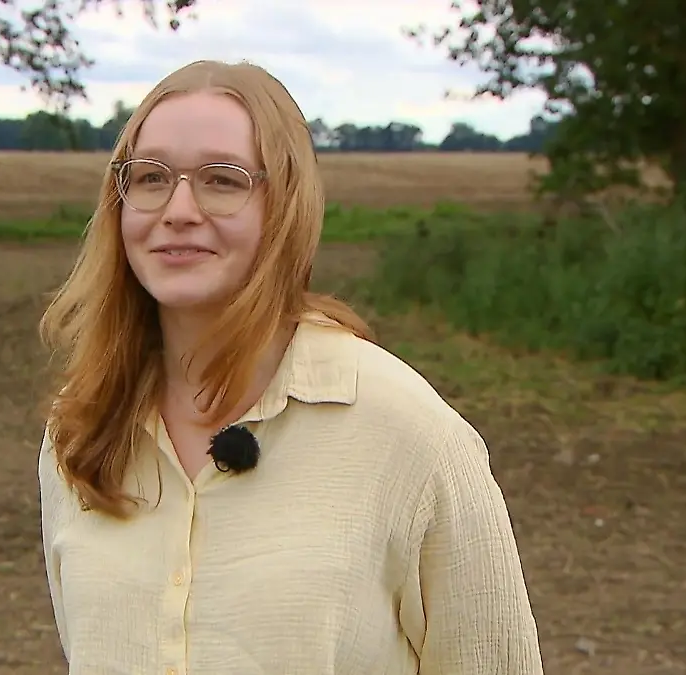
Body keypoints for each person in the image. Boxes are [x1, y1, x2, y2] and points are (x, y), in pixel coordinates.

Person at [36, 59, 543, 675]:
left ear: (286, 208)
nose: (178, 209)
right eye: (150, 177)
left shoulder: (408, 432)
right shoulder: (82, 428)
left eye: (221, 180)